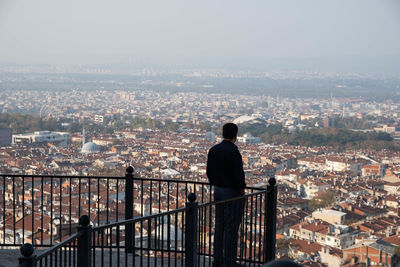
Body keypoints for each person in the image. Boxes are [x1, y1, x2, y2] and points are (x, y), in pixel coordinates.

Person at [206, 123, 246, 267]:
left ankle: (217, 260)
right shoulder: (234, 152)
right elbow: (239, 175)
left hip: (218, 190)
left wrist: (215, 183)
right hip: (232, 192)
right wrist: (241, 190)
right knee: (231, 228)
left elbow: (209, 171)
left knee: (219, 225)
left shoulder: (213, 150)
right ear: (235, 136)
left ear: (223, 134)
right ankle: (229, 261)